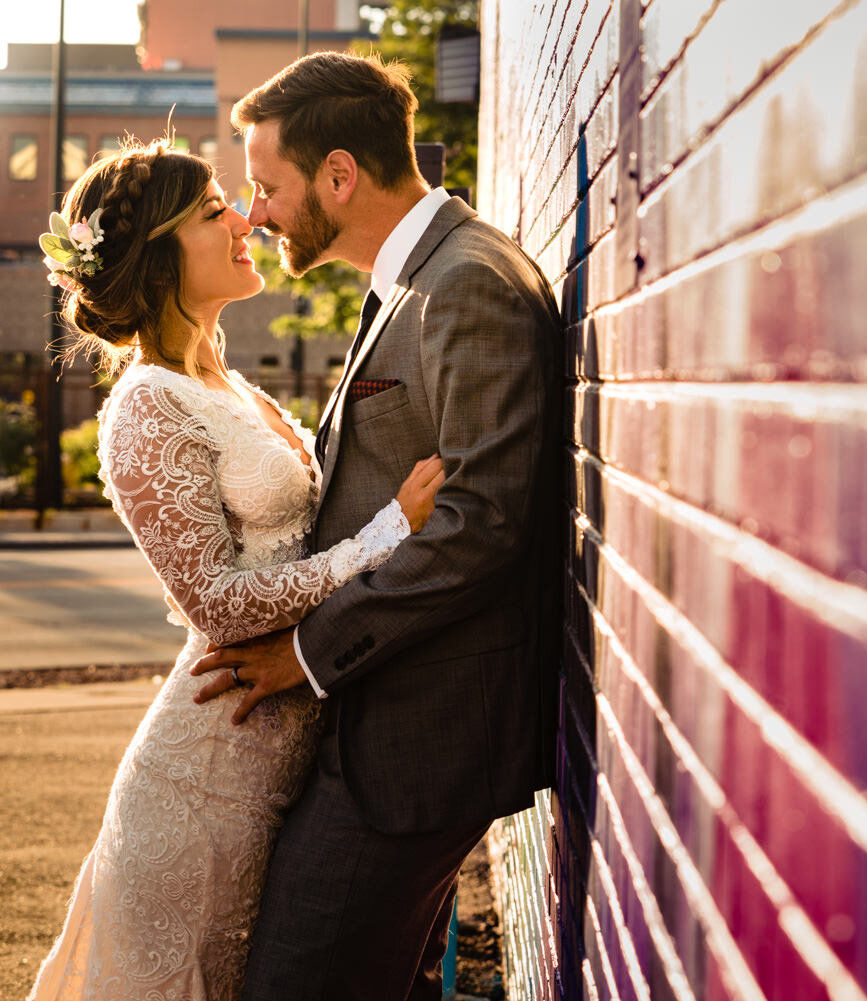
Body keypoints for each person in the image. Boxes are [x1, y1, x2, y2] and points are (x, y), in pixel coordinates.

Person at [28, 137, 447, 1000]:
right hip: (201, 785)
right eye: (214, 211)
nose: (246, 218)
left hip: (273, 767)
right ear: (159, 254)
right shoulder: (145, 405)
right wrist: (385, 536)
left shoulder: (230, 386)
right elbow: (218, 604)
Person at [189, 51, 564, 1000]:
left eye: (268, 187)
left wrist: (307, 653)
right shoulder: (410, 279)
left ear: (340, 175)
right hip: (378, 728)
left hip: (414, 747)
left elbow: (482, 524)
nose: (257, 212)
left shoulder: (467, 282)